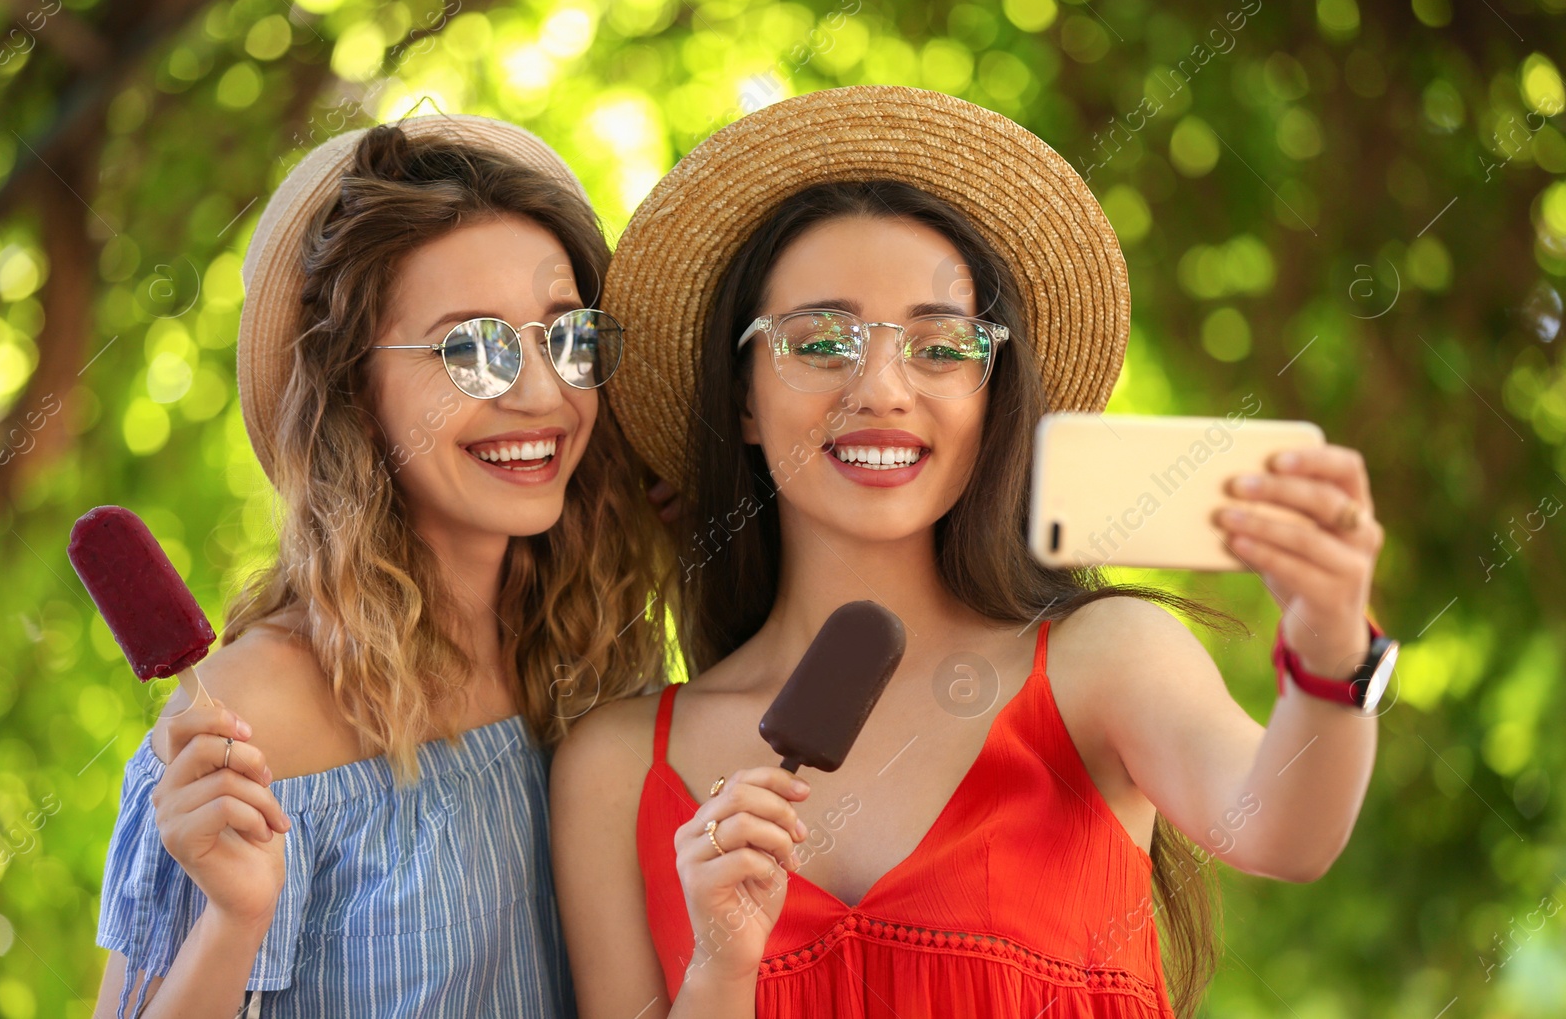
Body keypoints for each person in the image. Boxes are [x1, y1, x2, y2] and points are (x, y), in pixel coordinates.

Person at [551, 85, 1393, 1018]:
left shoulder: (1103, 663)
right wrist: (719, 972)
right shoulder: (618, 766)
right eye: (821, 340)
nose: (881, 387)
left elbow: (1288, 833)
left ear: (993, 396)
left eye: (941, 346)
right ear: (744, 397)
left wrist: (1330, 646)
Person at [91, 113, 671, 1018]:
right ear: (355, 390)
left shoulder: (596, 649)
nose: (542, 394)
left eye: (566, 337)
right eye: (470, 348)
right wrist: (234, 920)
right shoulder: (250, 720)